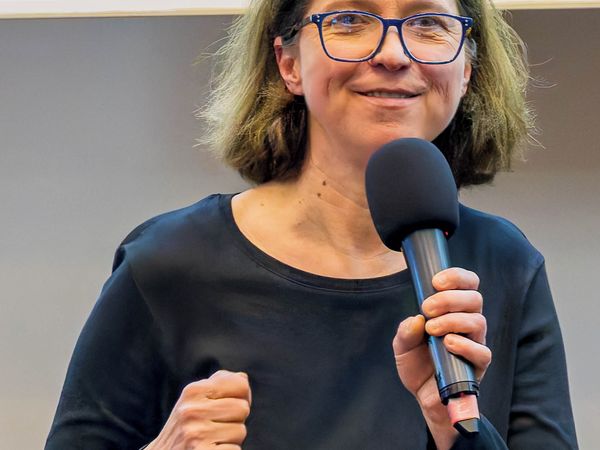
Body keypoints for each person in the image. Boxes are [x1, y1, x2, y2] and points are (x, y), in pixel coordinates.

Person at [45, 0, 578, 449]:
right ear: (289, 63)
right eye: (349, 20)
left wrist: (454, 430)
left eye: (428, 24)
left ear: (466, 70)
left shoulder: (506, 263)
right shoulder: (169, 262)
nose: (393, 54)